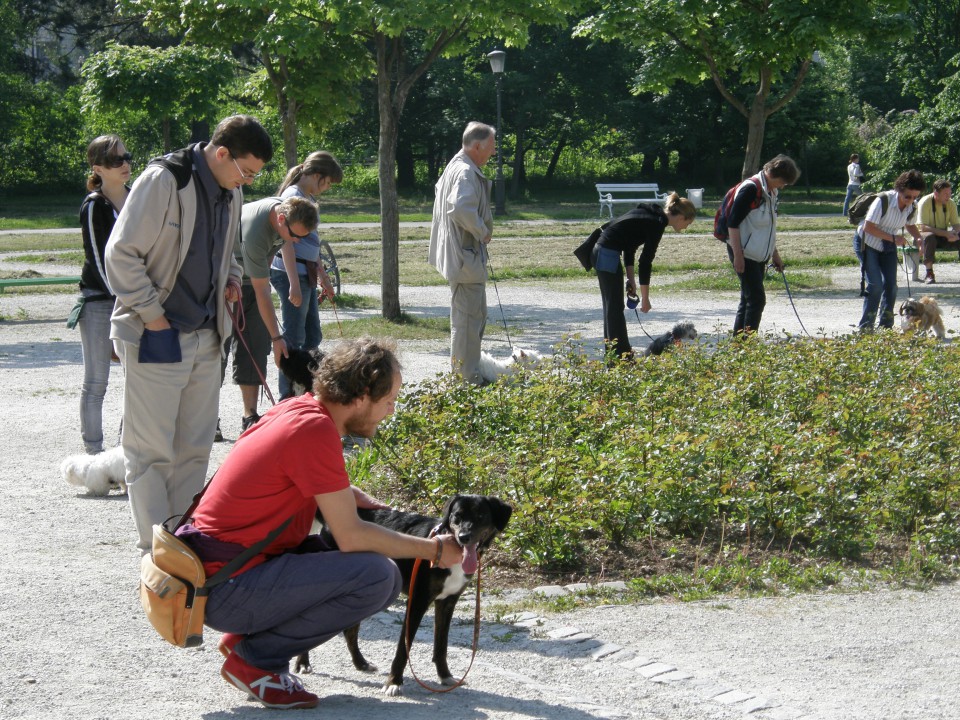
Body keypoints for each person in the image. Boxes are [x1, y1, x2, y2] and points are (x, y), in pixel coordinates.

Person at [180, 337, 464, 710]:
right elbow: (351, 535)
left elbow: (297, 481)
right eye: (389, 401)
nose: (391, 411)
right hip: (224, 588)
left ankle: (247, 641)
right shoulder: (315, 431)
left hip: (217, 575)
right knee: (378, 576)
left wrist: (346, 490)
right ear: (362, 395)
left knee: (340, 558)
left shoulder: (299, 410)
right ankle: (256, 659)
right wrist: (434, 549)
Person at [105, 114, 273, 552]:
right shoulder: (163, 180)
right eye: (247, 171)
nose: (249, 182)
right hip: (155, 333)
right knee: (150, 450)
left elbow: (229, 253)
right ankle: (156, 546)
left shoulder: (231, 190)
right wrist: (152, 316)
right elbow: (120, 255)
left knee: (195, 448)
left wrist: (232, 280)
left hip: (207, 335)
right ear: (222, 154)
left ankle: (183, 539)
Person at [233, 195, 319, 429]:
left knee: (254, 348)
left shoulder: (286, 216)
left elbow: (267, 266)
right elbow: (263, 290)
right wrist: (277, 338)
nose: (297, 242)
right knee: (215, 352)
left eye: (304, 237)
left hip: (250, 277)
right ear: (281, 220)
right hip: (223, 279)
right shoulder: (256, 232)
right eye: (295, 236)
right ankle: (210, 420)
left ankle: (249, 415)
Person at [74, 135, 130, 454]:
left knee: (136, 381)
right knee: (96, 383)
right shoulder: (94, 205)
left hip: (131, 301)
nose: (124, 164)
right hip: (99, 301)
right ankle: (94, 454)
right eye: (115, 160)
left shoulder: (136, 198)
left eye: (126, 157)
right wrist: (123, 298)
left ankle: (126, 453)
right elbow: (97, 259)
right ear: (98, 168)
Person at [428, 121, 496, 385]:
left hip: (462, 258)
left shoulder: (456, 166)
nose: (493, 152)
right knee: (467, 323)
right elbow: (459, 208)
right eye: (490, 147)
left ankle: (467, 375)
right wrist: (482, 231)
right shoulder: (466, 171)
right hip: (465, 259)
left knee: (473, 319)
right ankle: (465, 381)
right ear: (477, 145)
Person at [270, 151, 342, 398]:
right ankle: (286, 397)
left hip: (307, 272)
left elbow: (313, 244)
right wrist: (293, 284)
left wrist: (323, 277)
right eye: (328, 182)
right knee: (294, 339)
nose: (327, 188)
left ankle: (309, 390)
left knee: (312, 335)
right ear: (318, 175)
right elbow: (286, 242)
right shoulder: (292, 196)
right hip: (293, 274)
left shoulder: (307, 197)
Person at [591, 193, 697, 360]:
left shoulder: (652, 216)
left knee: (612, 308)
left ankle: (616, 357)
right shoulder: (657, 223)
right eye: (688, 223)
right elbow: (646, 262)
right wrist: (646, 299)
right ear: (681, 217)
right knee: (614, 309)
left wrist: (630, 279)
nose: (686, 227)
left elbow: (629, 246)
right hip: (606, 253)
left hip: (604, 251)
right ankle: (622, 359)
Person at [725, 154, 800, 334]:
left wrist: (775, 255)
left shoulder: (771, 191)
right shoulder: (751, 189)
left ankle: (739, 346)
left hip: (759, 254)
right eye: (783, 182)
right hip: (745, 253)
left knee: (748, 299)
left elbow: (766, 229)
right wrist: (738, 256)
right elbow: (732, 224)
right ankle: (748, 346)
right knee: (757, 300)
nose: (783, 186)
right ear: (774, 175)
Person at [856, 170, 924, 332]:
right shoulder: (883, 200)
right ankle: (866, 328)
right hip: (867, 243)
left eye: (915, 197)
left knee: (891, 286)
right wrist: (894, 239)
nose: (911, 201)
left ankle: (885, 327)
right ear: (899, 189)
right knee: (875, 286)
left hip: (887, 245)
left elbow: (910, 224)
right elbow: (868, 227)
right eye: (908, 196)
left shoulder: (911, 206)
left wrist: (919, 238)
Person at [916, 178, 960, 284]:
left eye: (949, 193)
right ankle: (929, 273)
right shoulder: (925, 202)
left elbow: (956, 224)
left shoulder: (950, 203)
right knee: (929, 236)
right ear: (936, 193)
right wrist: (946, 233)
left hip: (942, 235)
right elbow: (923, 227)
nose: (948, 196)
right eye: (945, 193)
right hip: (923, 237)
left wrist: (956, 233)